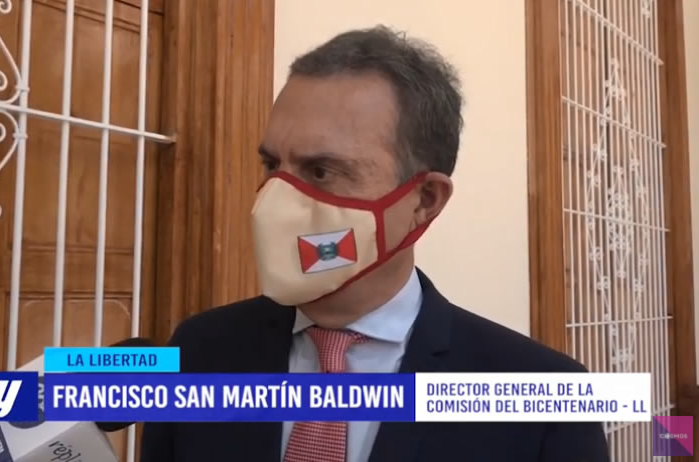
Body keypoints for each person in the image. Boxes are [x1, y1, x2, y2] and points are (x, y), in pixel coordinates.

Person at [140, 25, 610, 462]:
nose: (276, 203)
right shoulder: (201, 350)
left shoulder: (545, 403)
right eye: (272, 166)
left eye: (321, 171)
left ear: (424, 200)